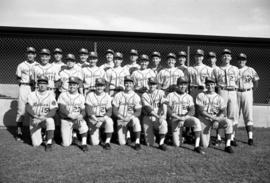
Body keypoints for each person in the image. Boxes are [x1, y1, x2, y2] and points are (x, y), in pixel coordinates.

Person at [166, 78, 204, 154]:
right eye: (181, 84)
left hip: (185, 118)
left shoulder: (189, 97)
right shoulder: (170, 95)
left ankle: (196, 146)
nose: (183, 86)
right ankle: (180, 138)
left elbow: (192, 110)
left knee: (196, 121)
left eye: (185, 84)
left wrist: (183, 119)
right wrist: (178, 118)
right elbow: (168, 109)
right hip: (175, 119)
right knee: (177, 144)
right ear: (177, 85)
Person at [196, 78, 234, 153]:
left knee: (229, 122)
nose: (210, 86)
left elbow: (223, 111)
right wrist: (213, 118)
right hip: (204, 119)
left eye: (212, 84)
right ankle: (205, 139)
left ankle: (228, 145)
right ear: (206, 85)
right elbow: (201, 111)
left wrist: (217, 120)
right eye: (208, 84)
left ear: (215, 85)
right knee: (204, 145)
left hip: (216, 119)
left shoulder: (219, 97)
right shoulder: (201, 95)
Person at [212, 49, 239, 146]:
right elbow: (213, 82)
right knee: (220, 113)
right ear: (221, 58)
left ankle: (232, 137)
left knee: (233, 115)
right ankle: (218, 137)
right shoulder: (216, 69)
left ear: (231, 57)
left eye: (228, 55)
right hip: (222, 90)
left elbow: (237, 81)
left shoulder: (235, 69)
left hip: (232, 91)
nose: (226, 57)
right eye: (224, 55)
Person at [26, 75, 57, 151]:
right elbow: (28, 108)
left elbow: (54, 109)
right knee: (36, 144)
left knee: (50, 121)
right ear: (37, 84)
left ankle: (49, 142)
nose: (42, 85)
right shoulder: (32, 94)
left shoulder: (51, 94)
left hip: (45, 118)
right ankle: (43, 134)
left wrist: (44, 117)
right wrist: (35, 116)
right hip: (35, 119)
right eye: (40, 83)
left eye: (44, 83)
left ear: (47, 85)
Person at [57, 76, 89, 152]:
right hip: (66, 119)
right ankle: (73, 135)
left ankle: (84, 143)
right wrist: (70, 115)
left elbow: (84, 109)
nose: (72, 86)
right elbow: (61, 108)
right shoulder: (63, 94)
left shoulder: (81, 96)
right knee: (66, 144)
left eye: (74, 84)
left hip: (77, 119)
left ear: (78, 86)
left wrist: (81, 115)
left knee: (83, 125)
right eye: (70, 84)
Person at [112, 76, 142, 150]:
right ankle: (127, 135)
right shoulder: (118, 95)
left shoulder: (136, 96)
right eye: (126, 83)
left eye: (130, 83)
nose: (128, 85)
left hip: (130, 118)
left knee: (136, 121)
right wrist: (120, 116)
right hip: (121, 119)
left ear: (133, 84)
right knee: (122, 143)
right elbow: (114, 109)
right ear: (124, 84)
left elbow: (138, 111)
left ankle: (137, 142)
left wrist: (130, 117)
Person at [15, 47, 38, 141]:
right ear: (26, 54)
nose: (30, 55)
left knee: (35, 109)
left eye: (32, 53)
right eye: (29, 53)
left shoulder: (38, 65)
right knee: (21, 110)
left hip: (35, 88)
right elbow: (17, 77)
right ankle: (19, 131)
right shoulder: (21, 65)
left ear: (35, 55)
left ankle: (34, 131)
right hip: (24, 87)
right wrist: (23, 84)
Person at [237, 53, 259, 145]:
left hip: (247, 92)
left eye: (243, 59)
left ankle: (250, 138)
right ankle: (232, 137)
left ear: (245, 60)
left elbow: (256, 81)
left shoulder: (251, 70)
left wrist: (250, 90)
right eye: (240, 59)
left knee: (248, 115)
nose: (241, 61)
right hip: (236, 92)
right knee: (235, 115)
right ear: (237, 60)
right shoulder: (234, 70)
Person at [85, 78, 114, 150]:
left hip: (103, 117)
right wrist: (96, 119)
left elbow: (109, 110)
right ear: (95, 86)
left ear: (104, 87)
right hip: (93, 118)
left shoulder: (107, 96)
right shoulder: (90, 95)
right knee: (94, 143)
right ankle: (99, 137)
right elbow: (88, 109)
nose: (99, 87)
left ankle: (107, 142)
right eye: (98, 85)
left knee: (109, 121)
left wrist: (103, 119)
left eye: (101, 86)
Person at [141, 78, 168, 150]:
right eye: (150, 84)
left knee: (164, 123)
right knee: (149, 144)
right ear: (148, 84)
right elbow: (148, 109)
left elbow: (164, 103)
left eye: (153, 84)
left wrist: (164, 115)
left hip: (159, 117)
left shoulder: (161, 92)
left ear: (156, 85)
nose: (152, 86)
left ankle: (161, 143)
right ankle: (153, 136)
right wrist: (159, 116)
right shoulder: (144, 95)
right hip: (148, 117)